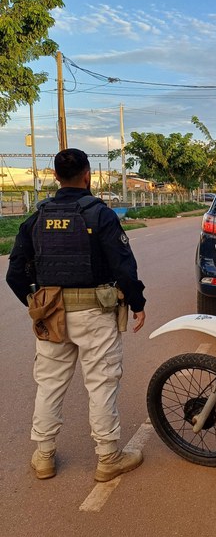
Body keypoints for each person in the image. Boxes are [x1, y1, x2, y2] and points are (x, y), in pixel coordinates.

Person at [6, 148, 146, 482]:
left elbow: (14, 274)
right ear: (88, 176)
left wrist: (37, 303)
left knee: (50, 385)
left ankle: (43, 457)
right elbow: (124, 267)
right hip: (95, 313)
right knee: (101, 383)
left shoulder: (36, 217)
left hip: (51, 313)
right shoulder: (100, 215)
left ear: (55, 176)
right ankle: (108, 457)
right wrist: (138, 303)